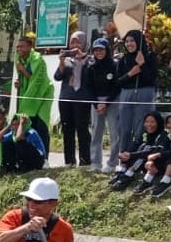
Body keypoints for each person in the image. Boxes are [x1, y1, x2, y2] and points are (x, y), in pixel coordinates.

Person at [114, 29, 158, 160]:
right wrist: (130, 74)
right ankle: (123, 157)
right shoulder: (124, 60)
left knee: (140, 128)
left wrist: (143, 64)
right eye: (126, 41)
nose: (129, 44)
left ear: (139, 41)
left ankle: (137, 157)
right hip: (126, 94)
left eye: (132, 41)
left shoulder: (150, 56)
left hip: (145, 93)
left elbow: (151, 78)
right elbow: (118, 82)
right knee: (124, 128)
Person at [54, 31, 92, 168]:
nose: (75, 45)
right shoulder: (67, 60)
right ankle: (69, 160)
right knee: (67, 129)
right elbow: (57, 77)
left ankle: (85, 160)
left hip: (82, 99)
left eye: (78, 42)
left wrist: (83, 59)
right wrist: (61, 62)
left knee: (82, 129)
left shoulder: (90, 59)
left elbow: (91, 75)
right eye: (72, 42)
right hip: (66, 99)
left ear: (84, 43)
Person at [14, 35, 54, 157]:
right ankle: (30, 156)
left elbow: (36, 80)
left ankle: (44, 157)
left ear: (30, 47)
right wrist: (18, 82)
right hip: (28, 95)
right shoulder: (18, 58)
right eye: (17, 47)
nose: (18, 49)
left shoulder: (38, 59)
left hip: (42, 94)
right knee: (28, 125)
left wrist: (23, 70)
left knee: (40, 125)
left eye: (22, 46)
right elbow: (22, 77)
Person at [86, 38, 121, 172]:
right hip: (96, 102)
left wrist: (106, 102)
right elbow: (89, 87)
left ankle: (112, 163)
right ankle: (95, 163)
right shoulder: (91, 67)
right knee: (96, 132)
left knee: (114, 133)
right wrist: (97, 104)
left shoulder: (114, 65)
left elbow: (117, 86)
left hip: (112, 100)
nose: (99, 52)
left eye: (101, 49)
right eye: (96, 50)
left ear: (107, 50)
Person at [109, 110, 166, 190]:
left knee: (144, 148)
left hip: (156, 163)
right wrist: (126, 153)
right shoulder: (145, 133)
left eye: (152, 122)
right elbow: (136, 143)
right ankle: (120, 173)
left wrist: (131, 155)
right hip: (143, 160)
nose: (149, 124)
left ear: (158, 122)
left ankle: (128, 176)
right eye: (146, 122)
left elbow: (152, 151)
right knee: (128, 149)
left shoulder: (162, 135)